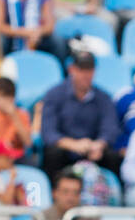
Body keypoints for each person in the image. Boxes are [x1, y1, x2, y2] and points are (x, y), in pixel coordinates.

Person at [39, 49, 119, 178]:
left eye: (90, 70)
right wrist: (73, 145)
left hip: (92, 149)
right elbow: (48, 133)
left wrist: (99, 144)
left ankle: (113, 194)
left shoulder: (103, 97)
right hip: (66, 149)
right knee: (53, 153)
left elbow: (110, 129)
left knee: (112, 156)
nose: (86, 74)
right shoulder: (54, 94)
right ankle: (54, 193)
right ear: (72, 70)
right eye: (81, 69)